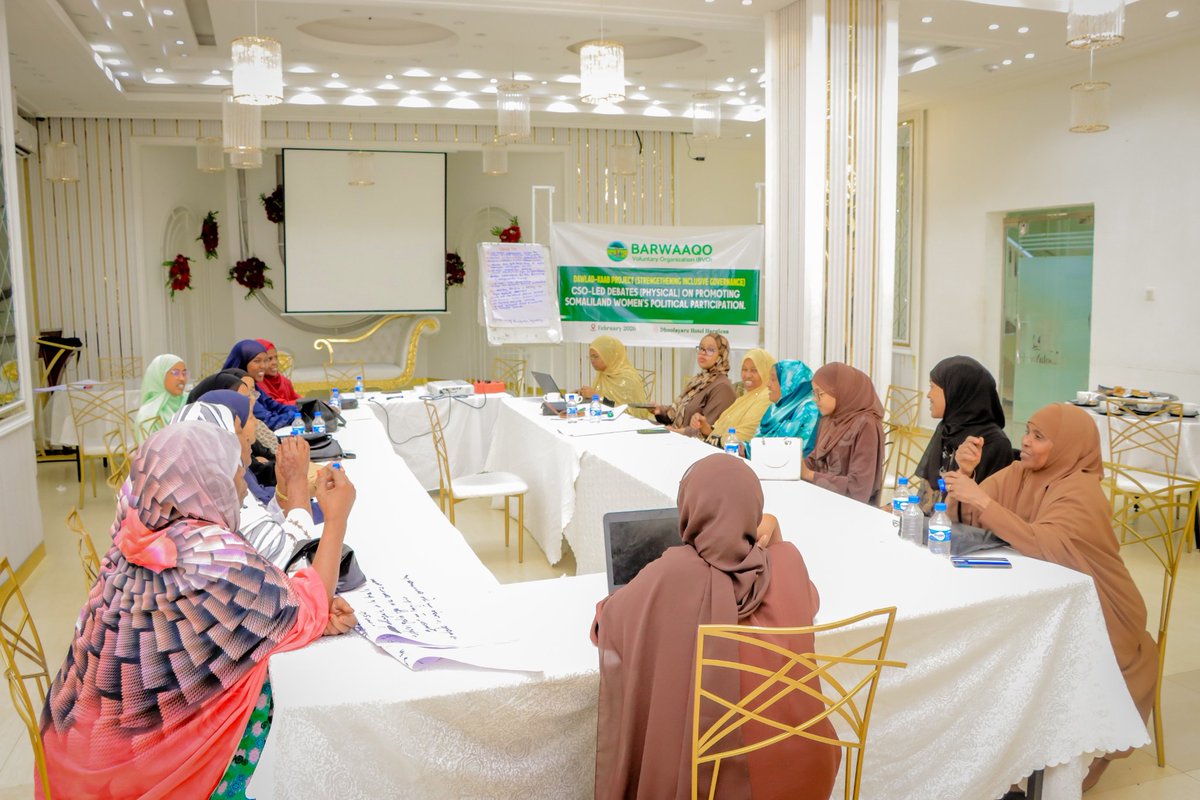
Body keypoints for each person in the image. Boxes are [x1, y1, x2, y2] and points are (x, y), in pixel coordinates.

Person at [38, 422, 358, 799]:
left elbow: (232, 622)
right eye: (236, 470)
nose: (241, 483)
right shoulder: (210, 555)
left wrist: (283, 611)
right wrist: (336, 518)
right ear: (206, 478)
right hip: (146, 779)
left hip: (75, 766)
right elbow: (308, 605)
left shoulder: (132, 537)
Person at [591, 454, 840, 800]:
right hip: (809, 766)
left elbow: (605, 624)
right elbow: (808, 599)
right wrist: (774, 532)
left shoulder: (671, 574)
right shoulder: (789, 562)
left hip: (720, 778)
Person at [944, 403, 1157, 791]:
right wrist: (966, 476)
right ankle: (1000, 754)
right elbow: (970, 518)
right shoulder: (1022, 472)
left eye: (1039, 437)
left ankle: (1044, 758)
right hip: (1041, 596)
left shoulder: (1082, 491)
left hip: (1101, 610)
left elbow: (1047, 543)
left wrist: (981, 500)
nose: (1025, 442)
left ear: (1069, 447)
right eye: (1028, 431)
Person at [172, 393, 312, 567]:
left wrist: (284, 487)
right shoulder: (219, 499)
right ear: (219, 440)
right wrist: (298, 480)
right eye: (238, 429)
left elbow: (268, 527)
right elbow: (295, 558)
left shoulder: (210, 484)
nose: (246, 438)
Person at [916, 356, 1012, 511]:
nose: (929, 395)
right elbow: (927, 495)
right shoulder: (947, 428)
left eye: (932, 387)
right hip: (937, 525)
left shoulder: (993, 443)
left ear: (955, 391)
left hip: (967, 532)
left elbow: (986, 509)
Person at [803, 362, 885, 505]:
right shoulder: (830, 420)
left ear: (841, 390)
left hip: (852, 511)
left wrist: (809, 475)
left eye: (819, 394)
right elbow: (816, 459)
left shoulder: (866, 426)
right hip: (823, 500)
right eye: (813, 394)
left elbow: (858, 487)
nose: (815, 400)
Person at [688, 348, 776, 450]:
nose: (747, 375)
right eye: (744, 369)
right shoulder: (744, 398)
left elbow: (743, 438)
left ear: (766, 371)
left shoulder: (767, 398)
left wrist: (714, 437)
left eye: (754, 370)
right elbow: (725, 433)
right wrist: (706, 428)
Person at [652, 333, 736, 431]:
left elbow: (709, 431)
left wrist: (678, 432)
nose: (703, 352)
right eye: (701, 348)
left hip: (693, 444)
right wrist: (659, 410)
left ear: (721, 355)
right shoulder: (699, 380)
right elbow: (677, 413)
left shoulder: (722, 388)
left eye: (710, 350)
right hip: (678, 439)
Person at [223, 339, 298, 430]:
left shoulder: (252, 383)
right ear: (243, 362)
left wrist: (301, 409)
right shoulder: (236, 386)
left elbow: (274, 406)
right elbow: (268, 422)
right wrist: (297, 414)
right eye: (257, 361)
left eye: (265, 360)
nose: (263, 366)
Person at [754, 359, 821, 457]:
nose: (767, 384)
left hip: (791, 469)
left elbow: (801, 453)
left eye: (773, 379)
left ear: (789, 384)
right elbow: (758, 443)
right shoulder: (774, 410)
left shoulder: (809, 409)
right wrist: (744, 448)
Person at [578, 335, 651, 420]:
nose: (592, 360)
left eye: (596, 356)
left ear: (609, 355)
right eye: (590, 356)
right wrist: (584, 394)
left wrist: (598, 397)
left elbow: (629, 412)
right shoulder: (603, 374)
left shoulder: (628, 379)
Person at [133, 353, 188, 443]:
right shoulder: (148, 415)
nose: (182, 378)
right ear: (160, 376)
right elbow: (147, 452)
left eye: (184, 373)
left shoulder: (190, 401)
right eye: (176, 373)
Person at [256, 338, 301, 405]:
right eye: (269, 359)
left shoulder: (284, 381)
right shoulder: (256, 383)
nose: (275, 362)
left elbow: (296, 398)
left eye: (276, 357)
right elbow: (273, 405)